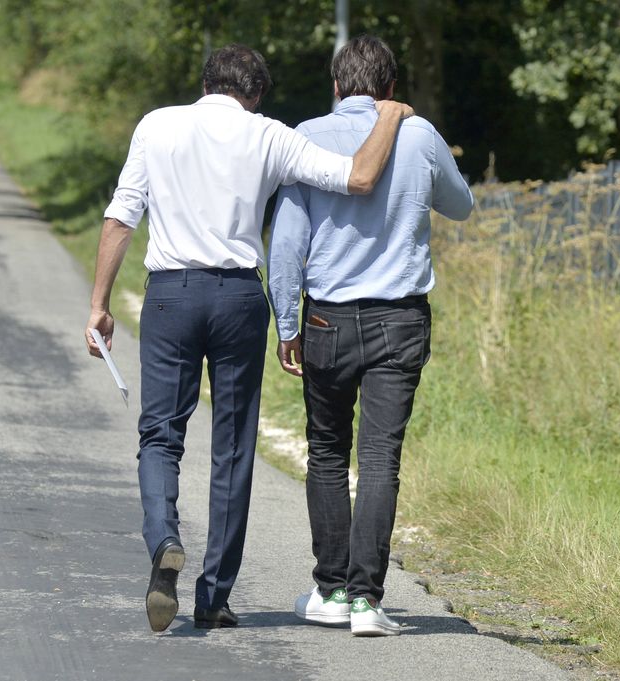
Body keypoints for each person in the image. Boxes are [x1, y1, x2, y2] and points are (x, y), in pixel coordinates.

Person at [84, 43, 413, 633]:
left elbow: (122, 213)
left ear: (204, 82)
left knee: (160, 433)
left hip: (171, 293)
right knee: (233, 446)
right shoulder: (268, 135)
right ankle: (214, 596)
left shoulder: (157, 125)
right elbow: (358, 177)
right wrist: (387, 115)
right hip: (238, 298)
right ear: (256, 94)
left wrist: (100, 304)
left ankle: (163, 537)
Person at [268, 34, 474, 637]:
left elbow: (286, 241)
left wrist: (287, 321)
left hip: (328, 317)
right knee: (380, 454)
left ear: (337, 85)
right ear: (390, 89)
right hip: (400, 318)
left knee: (328, 452)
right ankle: (366, 601)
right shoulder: (419, 134)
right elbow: (459, 206)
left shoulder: (304, 135)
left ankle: (329, 589)